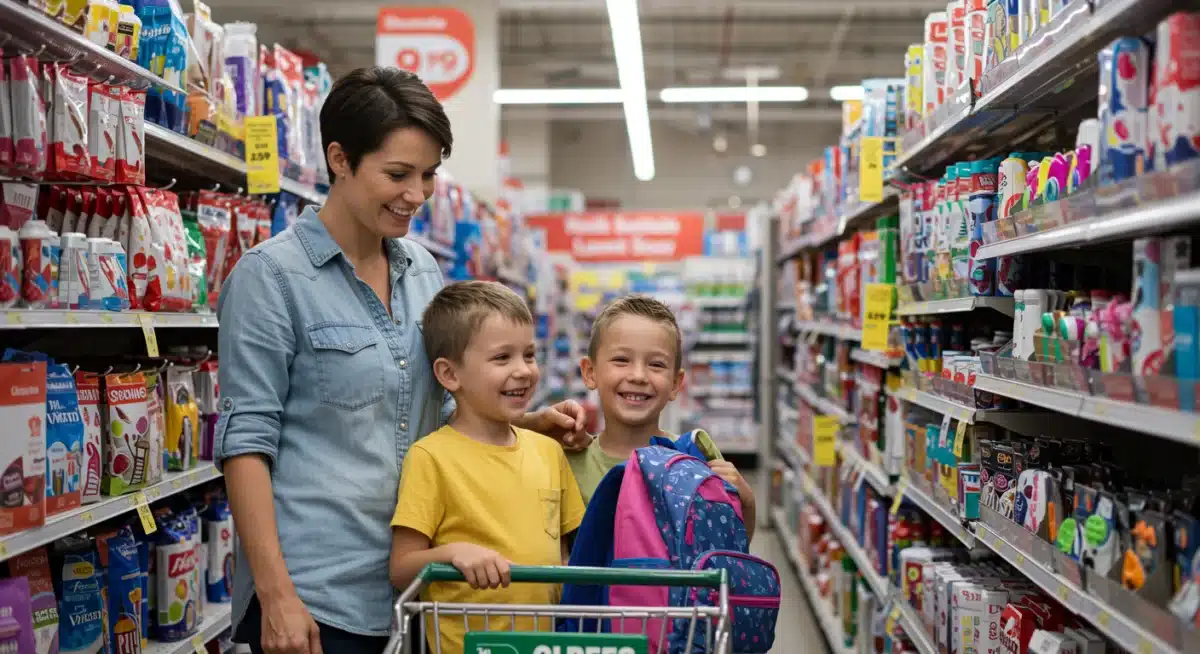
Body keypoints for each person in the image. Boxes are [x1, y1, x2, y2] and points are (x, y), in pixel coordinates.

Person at [215, 67, 588, 654]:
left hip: (421, 591)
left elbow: (435, 410)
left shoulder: (423, 271)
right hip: (320, 594)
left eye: (428, 175)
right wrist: (277, 594)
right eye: (397, 174)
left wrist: (519, 427)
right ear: (339, 160)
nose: (416, 194)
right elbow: (246, 446)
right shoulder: (269, 279)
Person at [389, 280, 586, 653]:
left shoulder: (548, 452)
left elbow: (565, 553)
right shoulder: (432, 458)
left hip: (545, 645)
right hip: (465, 645)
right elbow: (401, 568)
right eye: (502, 358)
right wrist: (452, 553)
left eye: (529, 355)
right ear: (450, 375)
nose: (524, 371)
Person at [568, 295, 756, 539]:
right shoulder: (567, 464)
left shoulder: (696, 456)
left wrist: (746, 502)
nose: (638, 376)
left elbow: (729, 545)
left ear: (675, 384)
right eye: (621, 360)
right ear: (590, 372)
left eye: (656, 365)